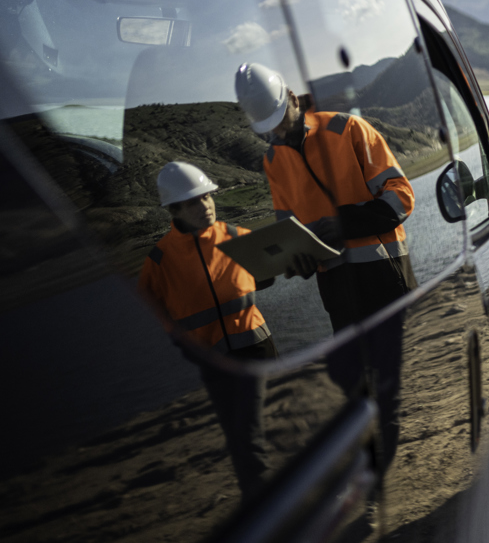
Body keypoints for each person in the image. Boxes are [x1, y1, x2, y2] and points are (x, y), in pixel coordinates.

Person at [233, 63, 417, 333]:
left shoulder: (348, 128)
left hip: (387, 277)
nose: (280, 133)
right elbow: (291, 233)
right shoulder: (273, 161)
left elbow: (402, 196)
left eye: (281, 120)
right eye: (270, 128)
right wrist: (298, 261)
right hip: (337, 294)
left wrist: (347, 224)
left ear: (293, 99)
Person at [137, 161, 277, 495]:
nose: (206, 206)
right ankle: (260, 501)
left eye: (208, 197)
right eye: (194, 201)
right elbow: (148, 311)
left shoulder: (236, 237)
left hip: (258, 350)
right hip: (215, 365)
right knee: (241, 436)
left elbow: (267, 274)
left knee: (258, 430)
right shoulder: (159, 262)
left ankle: (271, 503)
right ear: (174, 209)